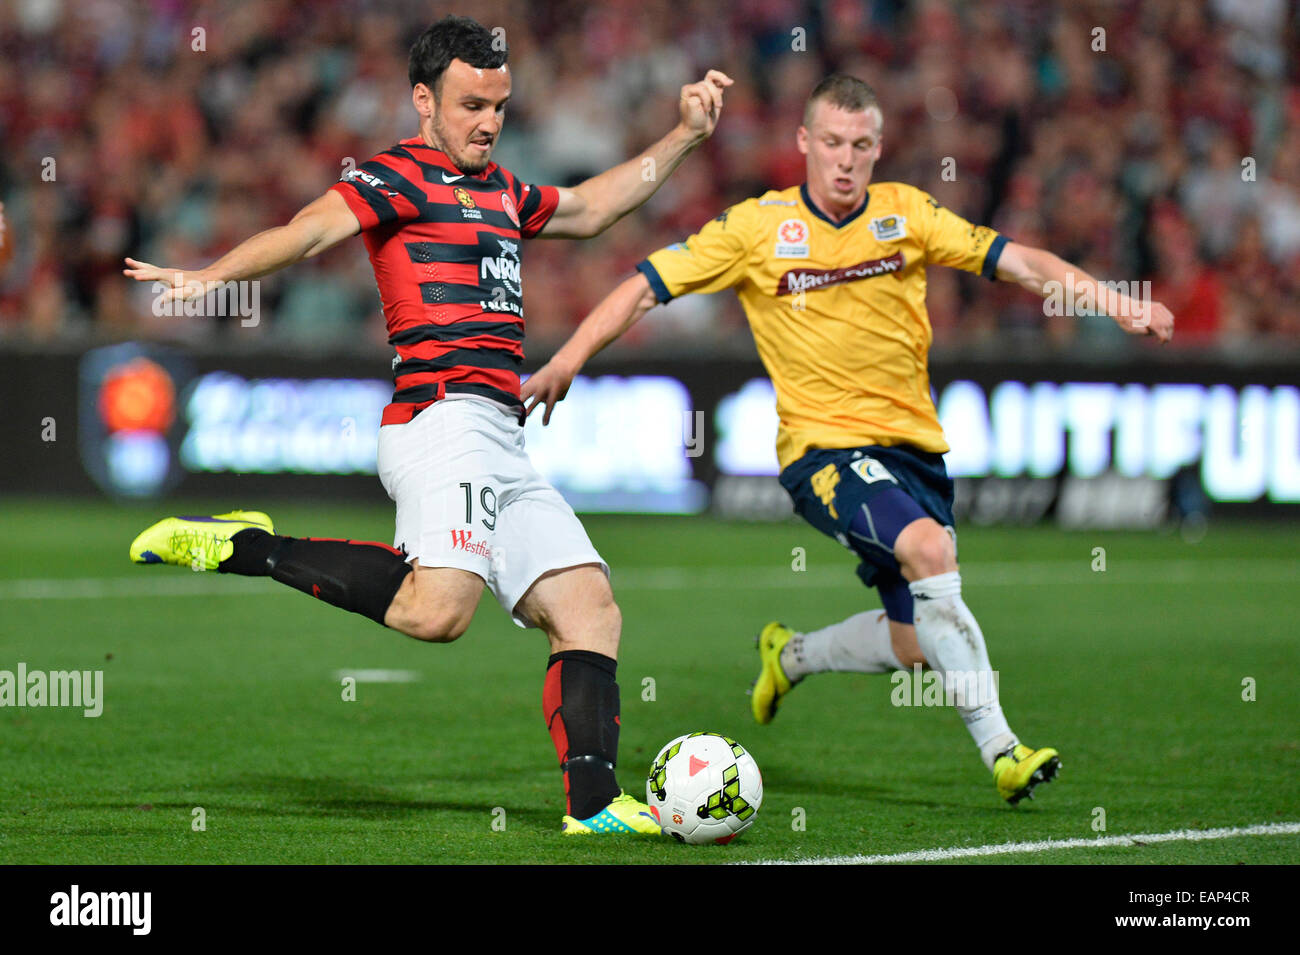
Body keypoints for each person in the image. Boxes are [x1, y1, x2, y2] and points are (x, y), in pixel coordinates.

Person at [124, 15, 732, 835]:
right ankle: (247, 545)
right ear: (423, 100)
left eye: (500, 105)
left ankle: (592, 807)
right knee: (435, 612)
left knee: (589, 604)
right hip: (438, 418)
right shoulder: (395, 179)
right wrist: (211, 275)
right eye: (472, 104)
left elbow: (591, 208)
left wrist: (686, 135)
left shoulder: (506, 190)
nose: (488, 121)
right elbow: (305, 231)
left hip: (504, 432)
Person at [521, 73, 1175, 805]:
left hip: (914, 454)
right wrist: (566, 360)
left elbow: (1019, 262)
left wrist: (1115, 302)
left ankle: (791, 655)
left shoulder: (907, 214)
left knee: (916, 641)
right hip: (822, 454)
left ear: (878, 148)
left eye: (861, 145)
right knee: (930, 550)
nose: (845, 160)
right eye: (831, 142)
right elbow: (643, 285)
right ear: (803, 142)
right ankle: (1005, 751)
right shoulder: (756, 229)